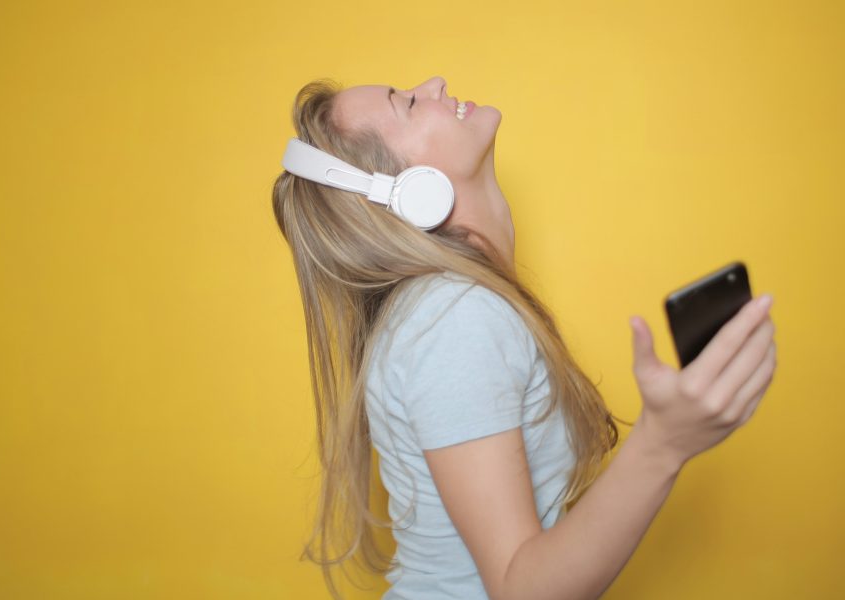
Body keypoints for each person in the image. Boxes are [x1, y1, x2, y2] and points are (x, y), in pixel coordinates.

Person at [270, 75, 777, 600]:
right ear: (411, 190)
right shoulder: (453, 319)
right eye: (409, 103)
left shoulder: (449, 310)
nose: (435, 83)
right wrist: (663, 443)